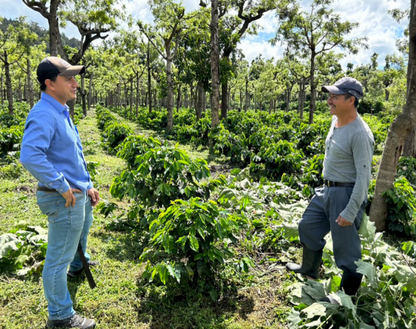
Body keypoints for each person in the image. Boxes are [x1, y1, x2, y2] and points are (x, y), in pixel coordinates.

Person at [20, 57, 99, 328]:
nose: (75, 84)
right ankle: (61, 316)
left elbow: (69, 156)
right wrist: (62, 185)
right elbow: (30, 155)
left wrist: (86, 184)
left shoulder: (61, 110)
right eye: (69, 79)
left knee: (82, 230)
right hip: (62, 197)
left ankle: (79, 265)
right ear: (50, 84)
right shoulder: (44, 113)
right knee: (57, 259)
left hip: (77, 193)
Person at [286, 77, 374, 303]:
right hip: (327, 189)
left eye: (335, 96)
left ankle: (346, 298)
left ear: (351, 100)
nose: (329, 100)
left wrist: (350, 210)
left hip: (345, 195)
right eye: (330, 95)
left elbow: (364, 179)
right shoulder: (335, 121)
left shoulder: (360, 134)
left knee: (347, 252)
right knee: (308, 226)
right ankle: (309, 269)